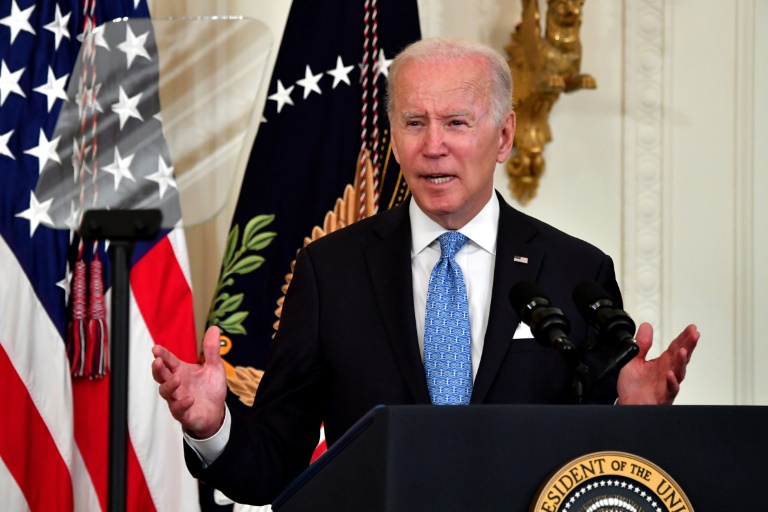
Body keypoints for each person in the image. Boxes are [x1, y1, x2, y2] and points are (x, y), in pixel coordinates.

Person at [151, 37, 699, 505]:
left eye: (456, 123)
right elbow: (275, 463)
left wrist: (634, 415)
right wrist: (214, 427)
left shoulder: (578, 271)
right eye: (415, 122)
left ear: (504, 136)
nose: (433, 146)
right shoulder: (330, 271)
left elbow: (604, 473)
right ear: (393, 134)